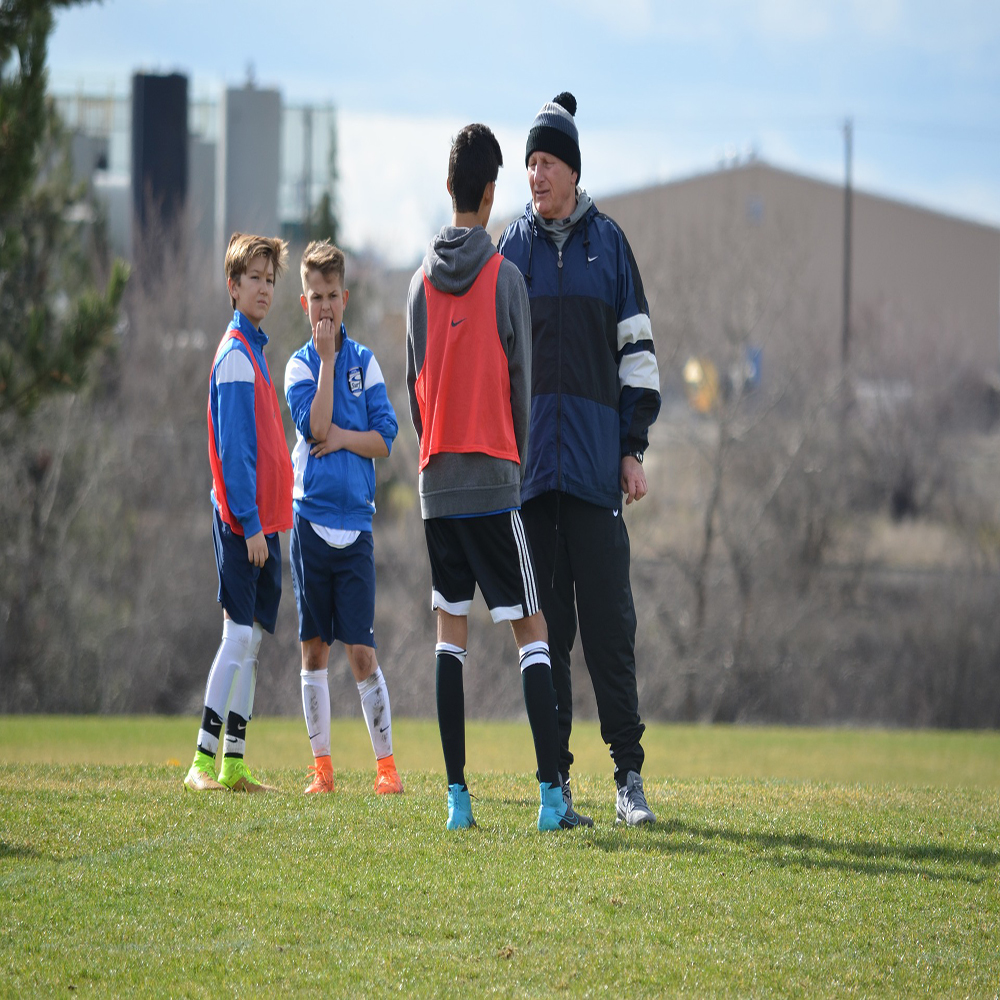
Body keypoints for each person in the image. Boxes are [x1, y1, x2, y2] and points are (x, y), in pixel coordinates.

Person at [405, 123, 583, 831]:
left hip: (435, 483)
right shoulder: (506, 279)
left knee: (451, 634)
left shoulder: (418, 284)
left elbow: (417, 386)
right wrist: (504, 458)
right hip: (493, 480)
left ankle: (457, 802)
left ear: (451, 188)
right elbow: (524, 390)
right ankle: (549, 800)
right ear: (489, 191)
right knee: (531, 631)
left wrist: (439, 451)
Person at [498, 93, 662, 826]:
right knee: (547, 635)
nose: (535, 175)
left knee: (609, 631)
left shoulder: (610, 246)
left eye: (547, 162)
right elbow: (490, 361)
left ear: (573, 171)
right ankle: (555, 786)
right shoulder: (511, 250)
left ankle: (628, 779)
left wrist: (632, 447)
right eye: (529, 163)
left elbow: (640, 357)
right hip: (531, 479)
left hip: (596, 476)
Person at [284, 240, 403, 796]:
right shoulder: (300, 366)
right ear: (303, 303)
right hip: (310, 521)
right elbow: (314, 428)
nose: (325, 307)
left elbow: (385, 438)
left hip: (355, 524)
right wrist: (327, 362)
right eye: (315, 297)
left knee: (361, 651)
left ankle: (386, 768)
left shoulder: (368, 363)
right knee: (314, 647)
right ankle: (323, 770)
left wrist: (344, 440)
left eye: (333, 295)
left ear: (345, 297)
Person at [184, 232, 293, 794]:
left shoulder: (255, 350)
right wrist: (250, 525)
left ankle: (234, 763)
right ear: (233, 286)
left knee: (250, 642)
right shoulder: (234, 356)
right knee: (235, 638)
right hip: (243, 526)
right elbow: (234, 454)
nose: (264, 288)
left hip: (268, 526)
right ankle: (201, 763)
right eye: (254, 278)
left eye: (271, 279)